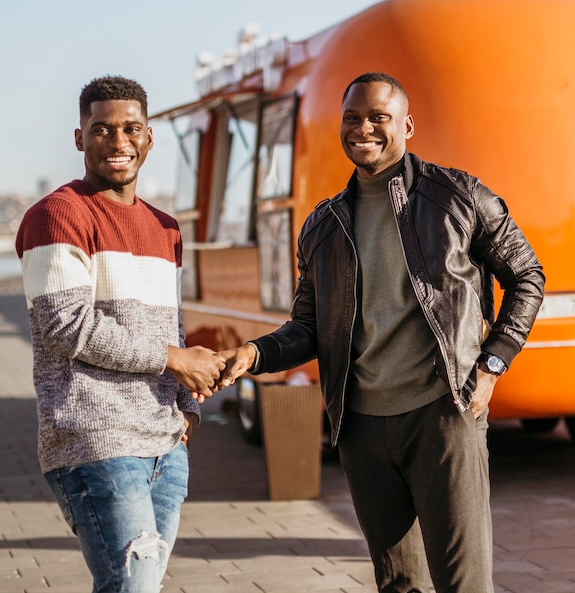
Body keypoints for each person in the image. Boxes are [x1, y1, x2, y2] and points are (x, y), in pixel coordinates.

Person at [217, 72, 545, 592]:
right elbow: (307, 327)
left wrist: (492, 365)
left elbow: (527, 277)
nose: (363, 128)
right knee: (398, 584)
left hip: (445, 417)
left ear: (406, 125)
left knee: (464, 583)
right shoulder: (323, 225)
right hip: (362, 427)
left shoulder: (459, 197)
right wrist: (254, 355)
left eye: (378, 117)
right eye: (352, 118)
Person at [15, 75, 225, 593]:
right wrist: (176, 360)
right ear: (79, 138)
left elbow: (166, 324)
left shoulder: (165, 228)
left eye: (131, 129)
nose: (118, 142)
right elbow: (67, 325)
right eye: (102, 129)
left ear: (149, 138)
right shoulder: (56, 216)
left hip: (164, 443)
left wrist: (189, 411)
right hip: (96, 439)